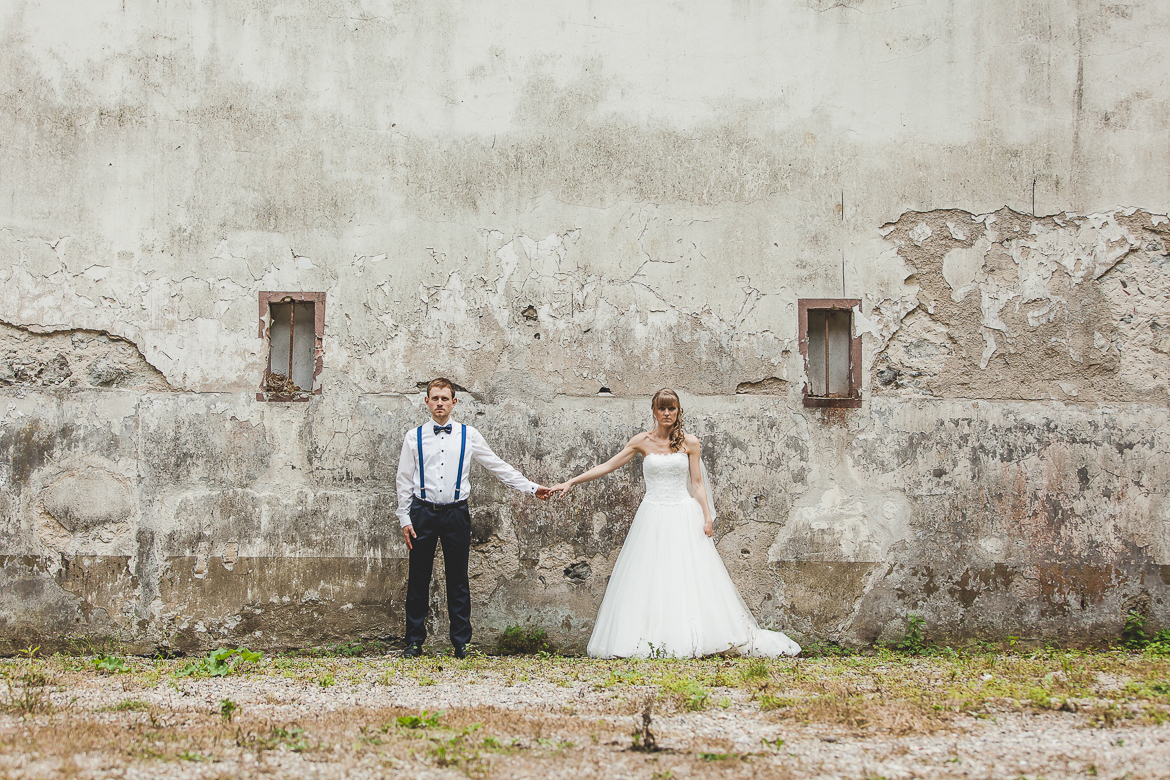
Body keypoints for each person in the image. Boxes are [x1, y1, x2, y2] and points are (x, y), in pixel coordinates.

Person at [549, 388, 800, 659]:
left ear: (678, 411)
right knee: (649, 577)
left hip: (683, 513)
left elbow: (697, 484)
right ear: (654, 411)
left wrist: (706, 517)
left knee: (688, 577)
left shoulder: (690, 443)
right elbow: (608, 466)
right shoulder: (641, 442)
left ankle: (694, 638)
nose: (667, 413)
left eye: (672, 409)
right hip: (652, 515)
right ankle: (650, 639)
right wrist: (572, 481)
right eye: (662, 409)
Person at [396, 378, 550, 658]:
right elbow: (404, 479)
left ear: (454, 402)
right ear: (427, 402)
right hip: (421, 513)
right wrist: (405, 518)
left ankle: (461, 643)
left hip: (456, 513)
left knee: (458, 579)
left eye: (445, 398)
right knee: (418, 579)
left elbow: (497, 466)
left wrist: (531, 487)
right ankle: (414, 642)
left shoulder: (469, 435)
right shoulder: (413, 436)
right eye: (435, 398)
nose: (440, 403)